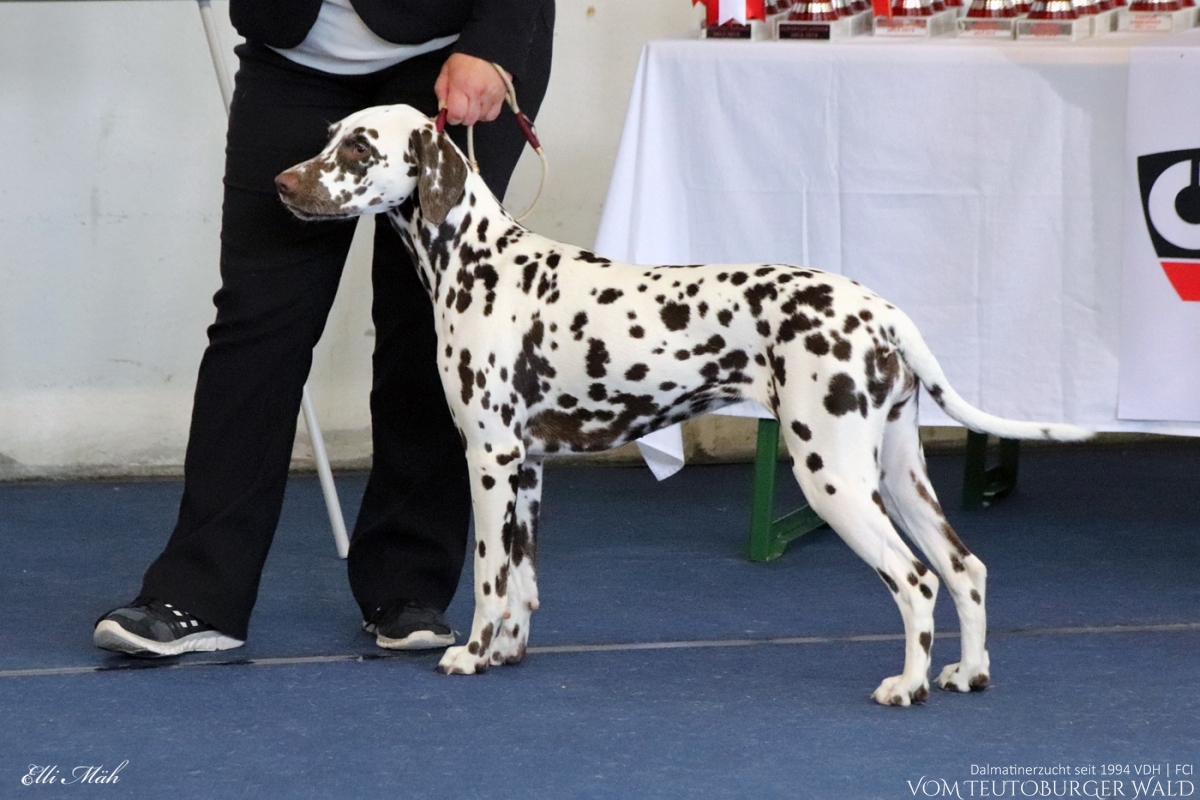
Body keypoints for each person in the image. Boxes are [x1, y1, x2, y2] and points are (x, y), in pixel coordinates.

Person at [93, 0, 555, 657]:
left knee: (430, 322)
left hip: (453, 51)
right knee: (257, 320)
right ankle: (197, 594)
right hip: (294, 58)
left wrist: (497, 40)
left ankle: (409, 586)